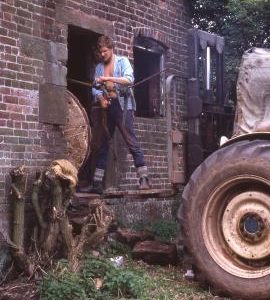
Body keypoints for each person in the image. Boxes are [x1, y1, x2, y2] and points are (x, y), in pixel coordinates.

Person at [80, 35, 150, 194]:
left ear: (111, 49)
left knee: (131, 140)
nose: (102, 54)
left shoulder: (122, 61)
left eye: (105, 51)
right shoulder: (99, 67)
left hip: (123, 106)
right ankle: (97, 184)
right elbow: (95, 87)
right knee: (103, 143)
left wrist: (108, 78)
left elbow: (129, 80)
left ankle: (144, 178)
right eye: (100, 51)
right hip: (108, 106)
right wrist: (100, 97)